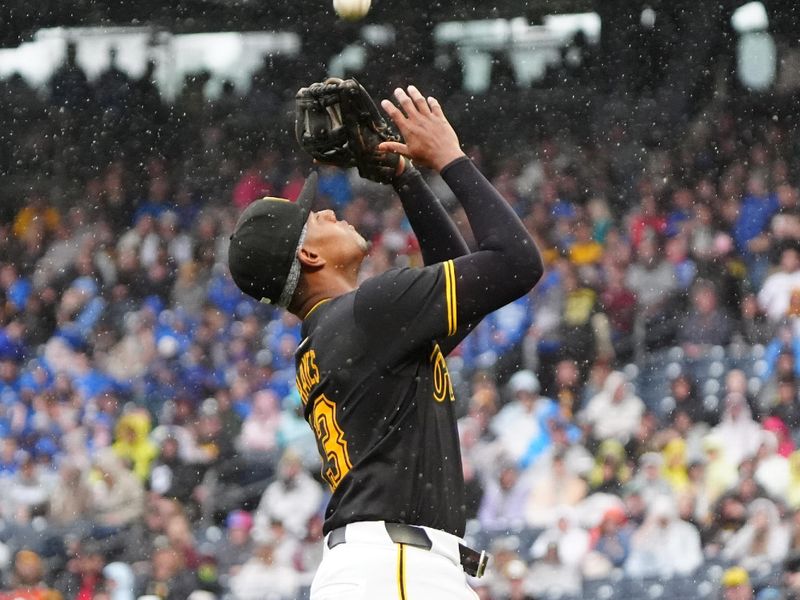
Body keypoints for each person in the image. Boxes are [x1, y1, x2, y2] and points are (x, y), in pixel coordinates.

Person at [227, 84, 544, 599]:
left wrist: (405, 178)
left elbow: (461, 314)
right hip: (396, 569)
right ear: (309, 258)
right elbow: (515, 263)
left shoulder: (336, 332)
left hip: (384, 566)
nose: (329, 213)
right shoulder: (368, 312)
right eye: (315, 219)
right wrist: (450, 159)